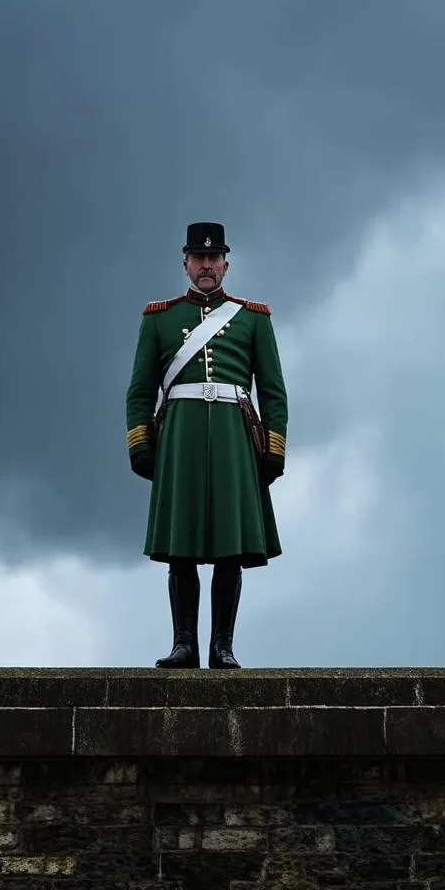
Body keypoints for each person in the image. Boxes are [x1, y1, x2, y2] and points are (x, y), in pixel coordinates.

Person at [125, 221, 288, 669]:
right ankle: (184, 645)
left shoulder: (253, 318)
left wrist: (273, 448)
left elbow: (273, 390)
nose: (206, 266)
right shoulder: (159, 318)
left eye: (213, 259)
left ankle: (222, 646)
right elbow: (140, 390)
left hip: (235, 442)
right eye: (198, 259)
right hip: (180, 439)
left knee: (228, 547)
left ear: (225, 265)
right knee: (181, 547)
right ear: (185, 264)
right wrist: (140, 441)